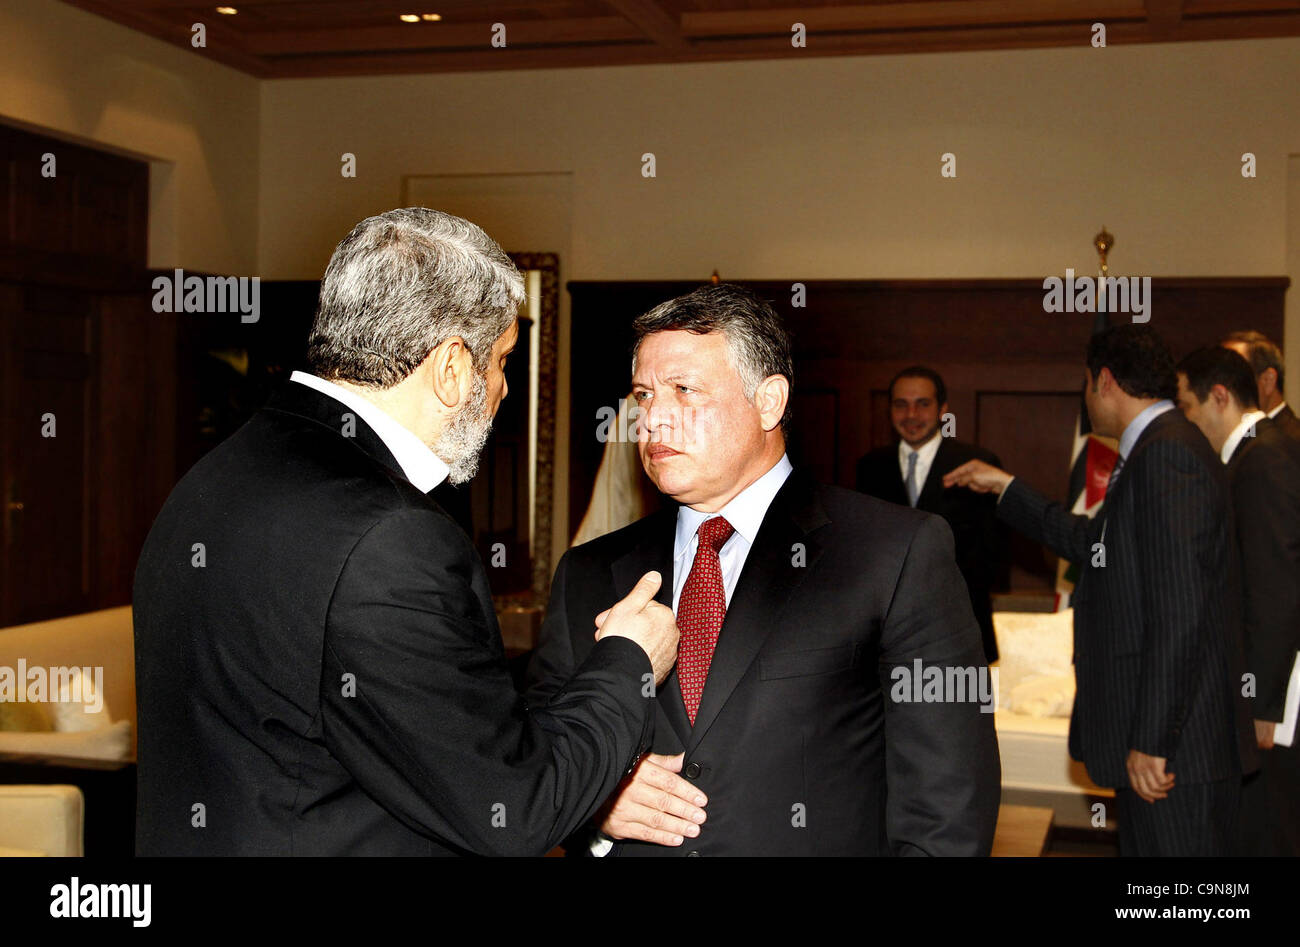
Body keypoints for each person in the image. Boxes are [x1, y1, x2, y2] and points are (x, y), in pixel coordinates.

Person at [133, 208, 678, 856]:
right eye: (502, 360)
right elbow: (512, 808)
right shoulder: (391, 539)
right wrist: (627, 661)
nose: (502, 388)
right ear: (451, 367)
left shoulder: (210, 481)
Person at [527, 284, 1001, 856]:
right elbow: (534, 759)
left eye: (685, 390)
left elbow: (946, 806)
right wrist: (594, 803)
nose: (653, 421)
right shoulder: (589, 570)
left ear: (770, 401)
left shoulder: (893, 553)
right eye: (644, 395)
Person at [944, 324, 1255, 856]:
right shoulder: (1156, 450)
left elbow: (1180, 612)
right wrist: (1006, 488)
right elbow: (1095, 544)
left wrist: (1153, 741)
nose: (1086, 398)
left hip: (1175, 753)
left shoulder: (1166, 456)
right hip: (1169, 747)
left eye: (1086, 384)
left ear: (1104, 381)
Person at [1175, 346, 1300, 856]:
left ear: (1219, 397)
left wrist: (1260, 702)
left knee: (1272, 830)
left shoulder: (1264, 456)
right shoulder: (1254, 454)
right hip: (1260, 684)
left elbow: (1276, 586)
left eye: (1185, 406)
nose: (1183, 421)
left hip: (1276, 693)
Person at [856, 366, 1006, 661]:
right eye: (901, 404)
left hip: (959, 635)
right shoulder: (871, 467)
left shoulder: (976, 465)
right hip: (886, 643)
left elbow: (991, 558)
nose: (911, 414)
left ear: (942, 410)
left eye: (922, 404)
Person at [1221, 330, 1300, 442]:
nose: (1220, 391)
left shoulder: (1291, 441)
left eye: (1231, 378)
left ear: (1268, 381)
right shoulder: (1244, 432)